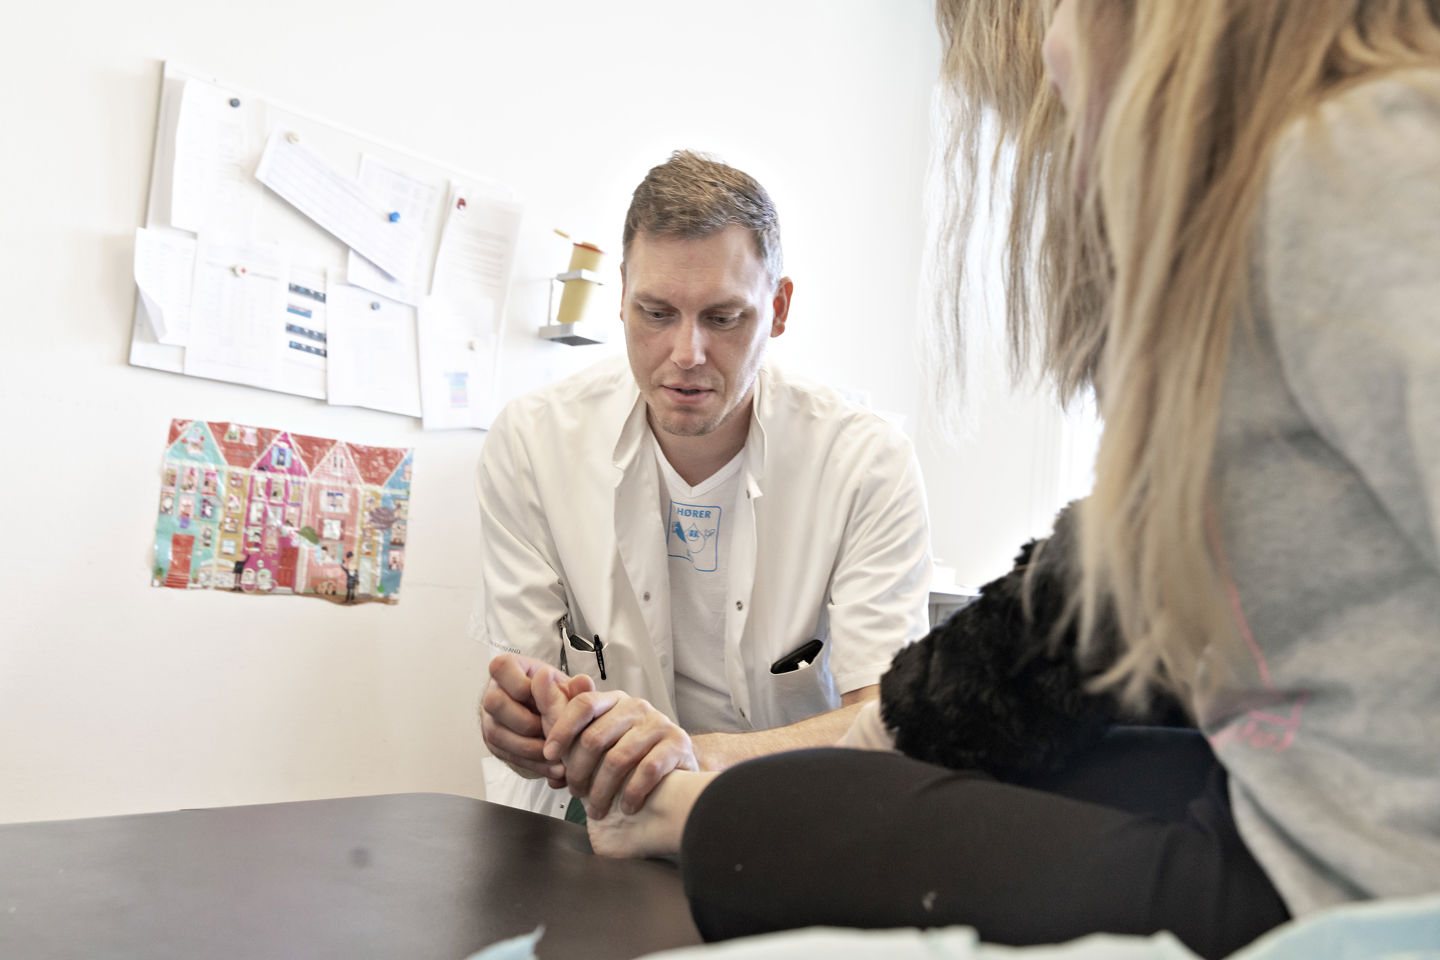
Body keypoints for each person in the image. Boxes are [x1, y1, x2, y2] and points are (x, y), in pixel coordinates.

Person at [555, 2, 1440, 958]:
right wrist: (850, 751)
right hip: (1273, 791)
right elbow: (1094, 590)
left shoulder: (1355, 163)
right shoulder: (1288, 199)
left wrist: (727, 786)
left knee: (755, 828)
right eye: (657, 314)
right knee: (828, 792)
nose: (688, 354)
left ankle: (695, 814)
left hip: (1351, 877)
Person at [475, 150, 933, 820]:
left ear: (778, 308)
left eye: (723, 318)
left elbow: (889, 721)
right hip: (601, 816)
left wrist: (694, 755)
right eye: (656, 313)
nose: (686, 354)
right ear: (622, 296)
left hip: (786, 807)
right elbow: (527, 683)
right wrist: (518, 724)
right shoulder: (532, 443)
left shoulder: (866, 463)